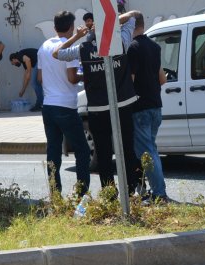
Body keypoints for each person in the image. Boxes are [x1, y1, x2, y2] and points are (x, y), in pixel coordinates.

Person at [54, 10, 143, 195]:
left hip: (98, 107)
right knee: (128, 149)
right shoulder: (121, 42)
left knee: (103, 153)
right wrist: (110, 21)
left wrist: (77, 36)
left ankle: (109, 193)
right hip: (123, 104)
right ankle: (132, 190)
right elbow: (134, 15)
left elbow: (57, 53)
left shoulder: (83, 49)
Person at [37, 11, 91, 197]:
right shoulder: (68, 49)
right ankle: (82, 194)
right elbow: (72, 77)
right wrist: (88, 75)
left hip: (48, 106)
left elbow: (40, 77)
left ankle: (55, 193)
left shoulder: (43, 47)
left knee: (53, 151)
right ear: (70, 27)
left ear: (54, 27)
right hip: (66, 106)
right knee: (83, 151)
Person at [127, 11, 169, 202]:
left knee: (147, 152)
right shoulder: (155, 46)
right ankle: (151, 191)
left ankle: (159, 193)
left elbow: (131, 80)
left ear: (130, 26)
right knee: (150, 149)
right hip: (156, 105)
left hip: (140, 106)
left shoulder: (133, 48)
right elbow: (162, 79)